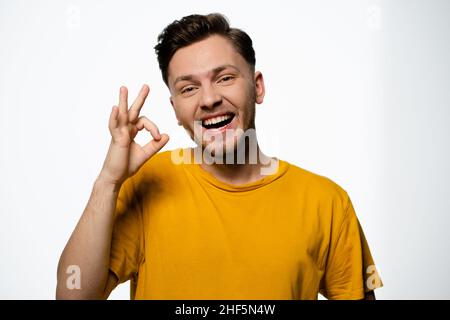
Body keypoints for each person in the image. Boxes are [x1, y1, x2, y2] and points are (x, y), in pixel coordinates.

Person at [56, 13, 383, 300]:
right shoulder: (145, 183)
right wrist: (108, 182)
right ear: (176, 110)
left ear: (257, 87)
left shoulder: (328, 203)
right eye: (188, 88)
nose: (209, 98)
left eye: (225, 78)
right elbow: (72, 296)